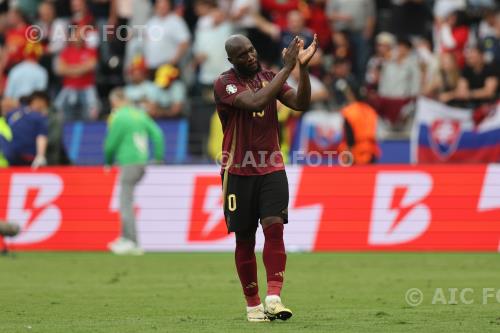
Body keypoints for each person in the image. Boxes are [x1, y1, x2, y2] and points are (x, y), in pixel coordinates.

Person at [213, 33, 317, 322]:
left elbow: (300, 102)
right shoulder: (225, 83)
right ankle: (253, 305)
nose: (250, 56)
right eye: (243, 54)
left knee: (274, 228)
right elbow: (257, 102)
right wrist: (288, 67)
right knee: (245, 239)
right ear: (231, 60)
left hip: (271, 166)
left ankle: (274, 297)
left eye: (252, 50)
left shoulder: (269, 75)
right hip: (237, 171)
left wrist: (302, 70)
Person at [104, 88, 165, 255]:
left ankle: (132, 241)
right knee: (127, 200)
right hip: (141, 163)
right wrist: (158, 157)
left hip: (129, 162)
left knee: (125, 202)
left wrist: (108, 162)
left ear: (116, 101)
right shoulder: (140, 114)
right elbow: (158, 135)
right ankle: (125, 238)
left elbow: (110, 143)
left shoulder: (119, 117)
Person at [4, 93, 49, 168]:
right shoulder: (39, 117)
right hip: (28, 158)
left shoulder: (12, 114)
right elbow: (41, 137)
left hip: (9, 156)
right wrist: (40, 156)